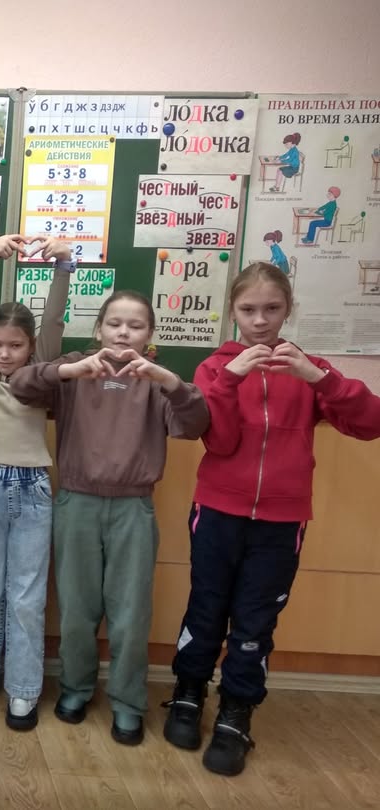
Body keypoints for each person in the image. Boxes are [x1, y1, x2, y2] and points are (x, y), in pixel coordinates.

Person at [162, 262, 380, 776]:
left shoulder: (308, 368)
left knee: (256, 620)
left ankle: (237, 711)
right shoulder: (215, 368)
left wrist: (319, 378)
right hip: (218, 512)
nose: (260, 321)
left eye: (272, 309)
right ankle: (189, 691)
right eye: (248, 310)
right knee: (206, 606)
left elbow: (370, 424)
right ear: (233, 312)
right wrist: (229, 382)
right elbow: (220, 442)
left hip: (282, 520)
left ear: (288, 309)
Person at [10, 291, 209, 746]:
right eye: (115, 323)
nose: (123, 333)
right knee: (76, 610)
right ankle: (76, 688)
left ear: (149, 335)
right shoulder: (76, 367)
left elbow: (195, 424)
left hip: (133, 508)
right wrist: (66, 370)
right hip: (76, 502)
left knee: (130, 613)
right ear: (98, 328)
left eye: (135, 326)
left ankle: (127, 701)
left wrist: (171, 382)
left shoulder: (156, 380)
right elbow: (20, 385)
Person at [0, 234, 73, 731]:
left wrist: (64, 266)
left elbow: (53, 321)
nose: (5, 353)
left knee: (26, 597)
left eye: (16, 345)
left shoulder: (40, 371)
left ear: (31, 348)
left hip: (32, 489)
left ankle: (23, 688)